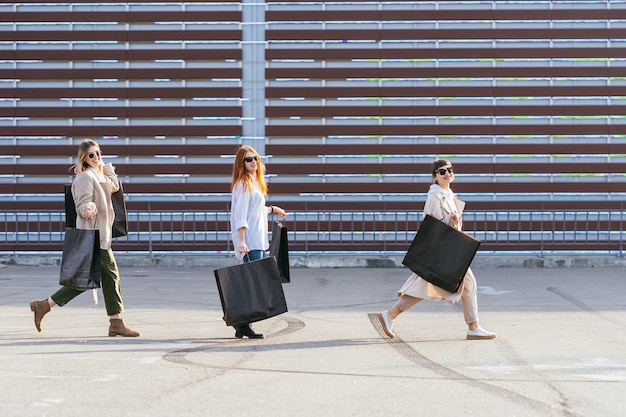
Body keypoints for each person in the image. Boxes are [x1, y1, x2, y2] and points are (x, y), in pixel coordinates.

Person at [375, 159, 496, 340]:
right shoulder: (435, 196)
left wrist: (454, 220)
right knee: (429, 285)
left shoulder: (449, 195)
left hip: (450, 250)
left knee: (455, 284)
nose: (447, 173)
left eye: (449, 170)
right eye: (442, 171)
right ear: (435, 176)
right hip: (442, 252)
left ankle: (390, 315)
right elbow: (430, 225)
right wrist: (451, 219)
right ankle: (473, 327)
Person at [29, 139, 140, 337]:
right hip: (94, 235)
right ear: (84, 158)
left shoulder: (99, 176)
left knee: (90, 279)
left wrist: (106, 169)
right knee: (109, 276)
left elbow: (114, 186)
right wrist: (87, 208)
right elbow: (80, 203)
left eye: (98, 153)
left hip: (102, 235)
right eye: (91, 155)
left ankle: (44, 305)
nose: (96, 157)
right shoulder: (85, 178)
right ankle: (116, 322)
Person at [230, 145, 287, 339]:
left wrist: (272, 209)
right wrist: (241, 241)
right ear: (241, 163)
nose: (253, 161)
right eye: (248, 159)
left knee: (252, 283)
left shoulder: (254, 183)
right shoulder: (243, 184)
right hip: (250, 242)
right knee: (251, 284)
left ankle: (242, 325)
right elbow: (241, 216)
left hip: (258, 241)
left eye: (255, 158)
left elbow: (256, 211)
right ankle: (243, 324)